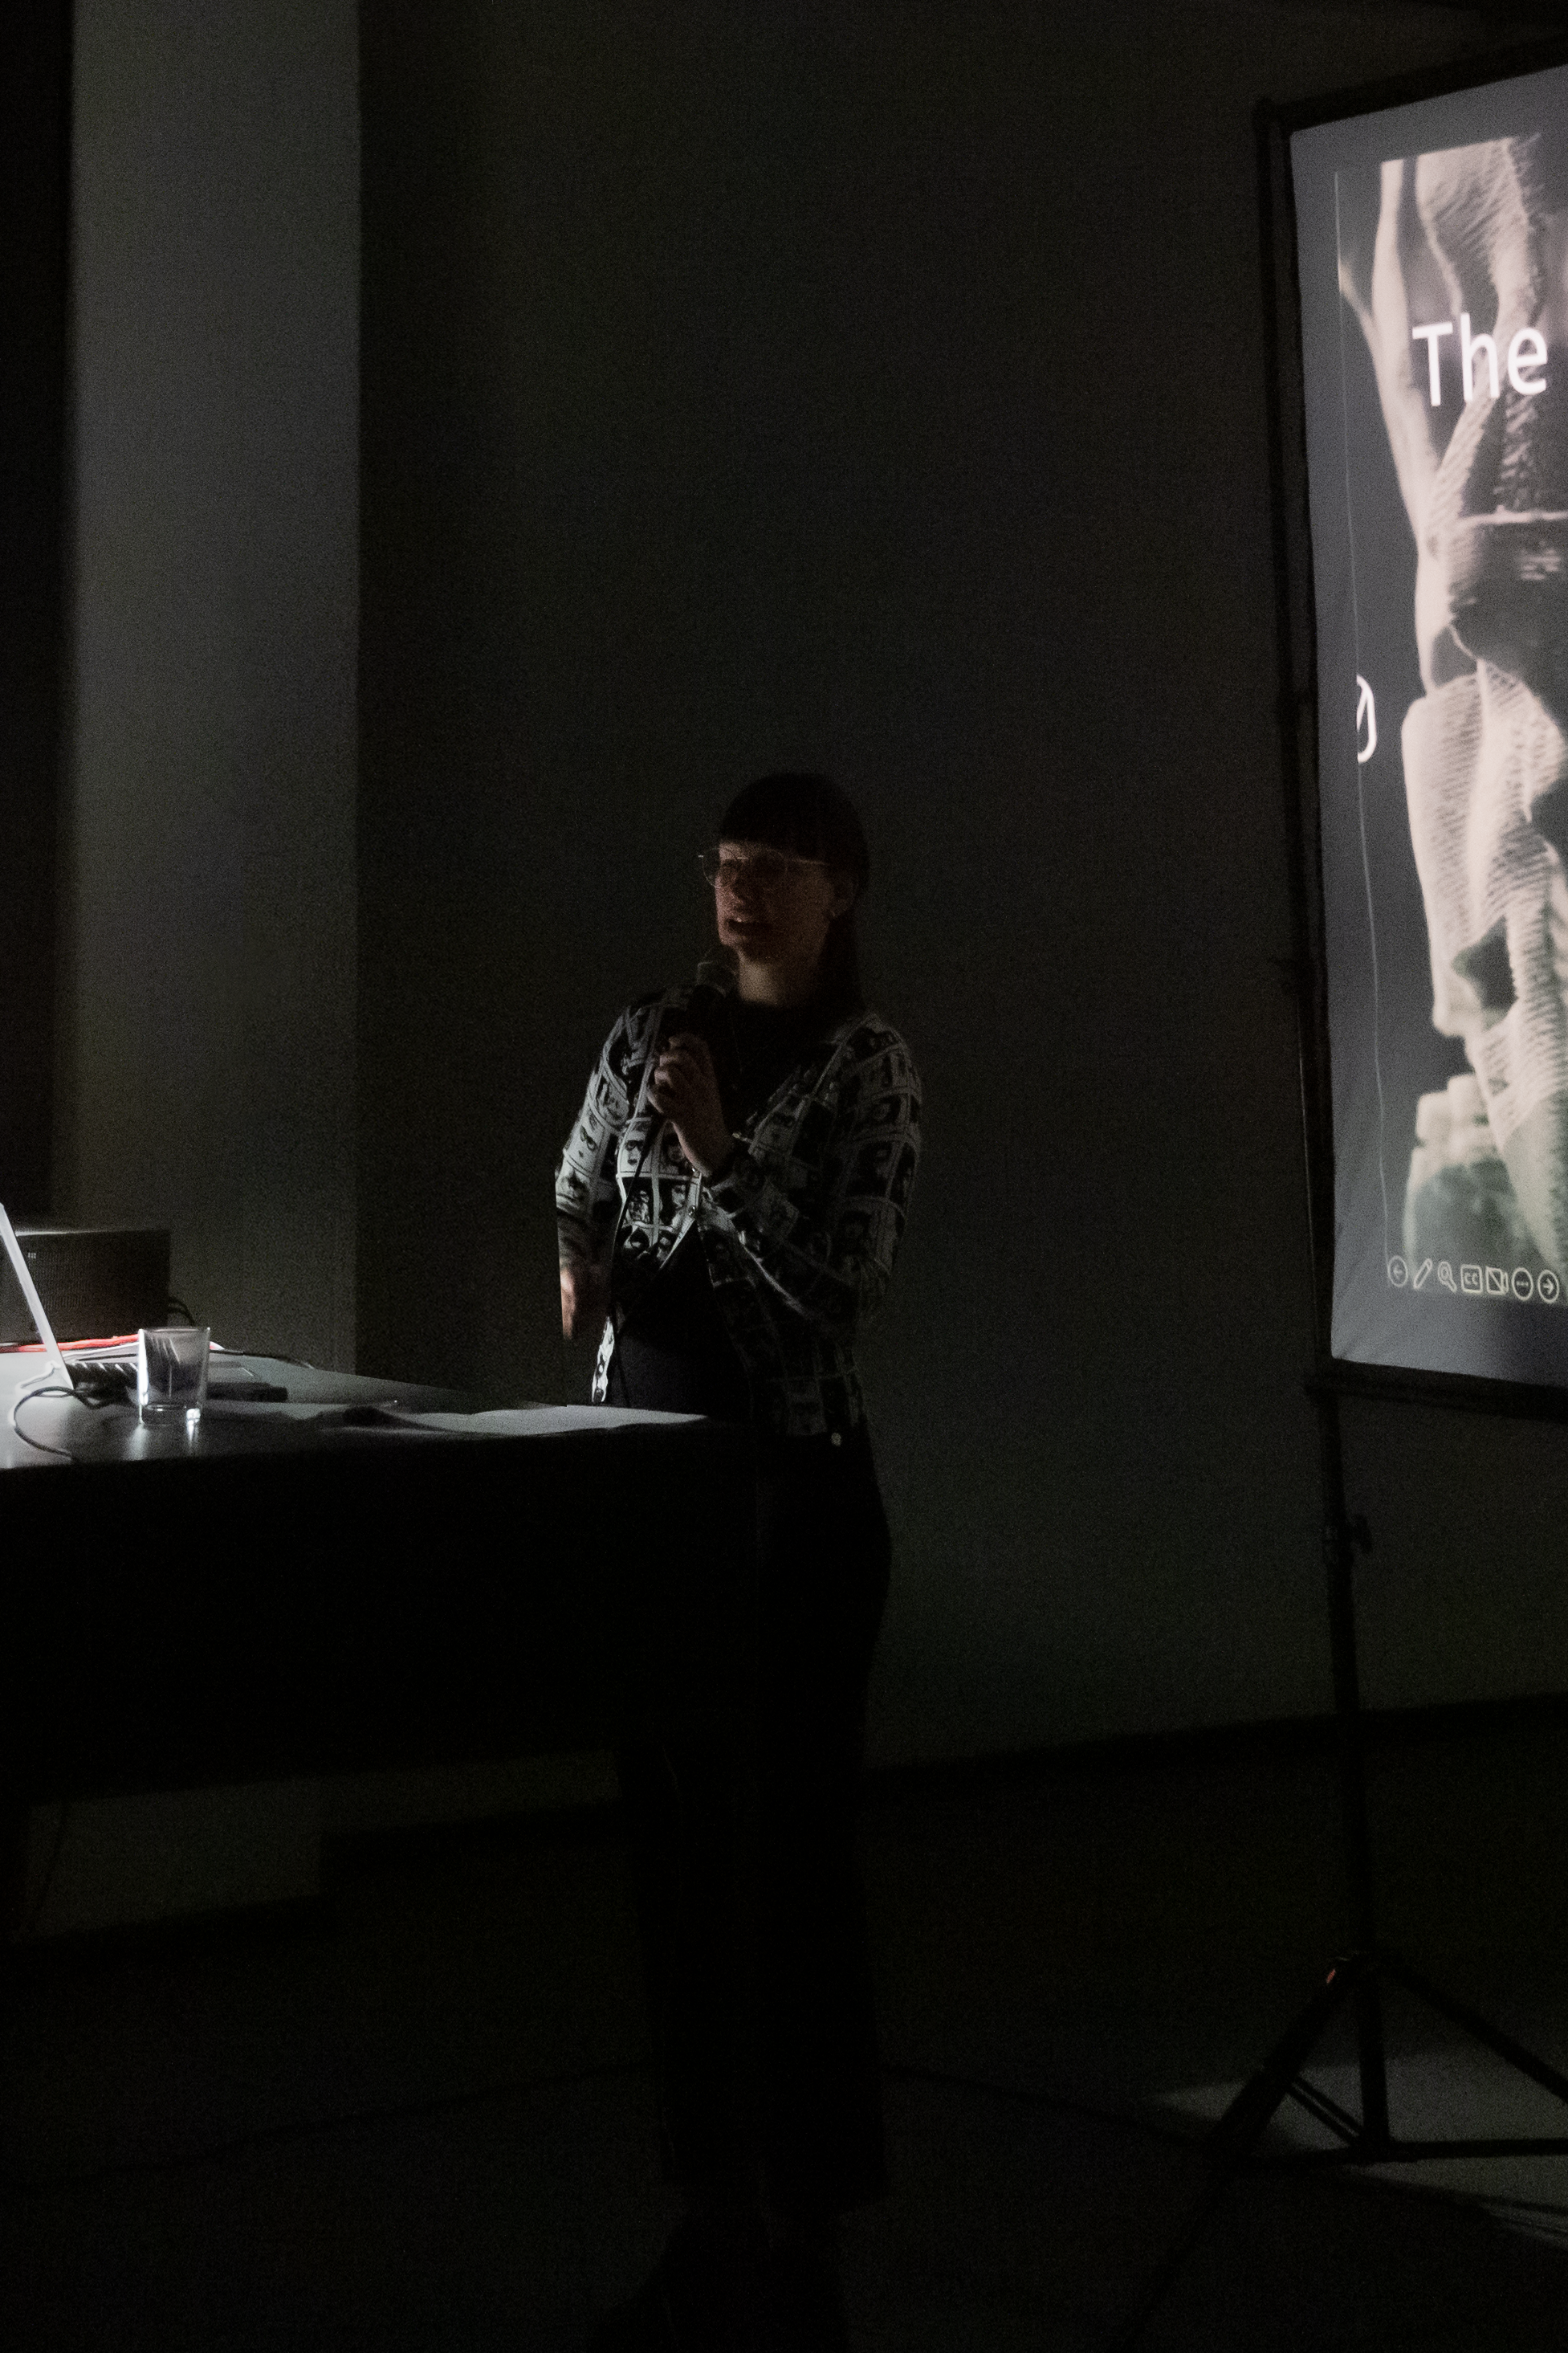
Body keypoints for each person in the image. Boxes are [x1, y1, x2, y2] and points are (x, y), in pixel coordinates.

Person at [554, 773, 923, 2353]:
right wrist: (584, 1271)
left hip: (791, 1504)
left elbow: (837, 1290)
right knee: (679, 1881)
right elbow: (575, 1184)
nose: (739, 891)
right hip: (653, 1491)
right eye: (722, 864)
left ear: (839, 889)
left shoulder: (864, 1067)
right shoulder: (651, 1028)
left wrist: (714, 1161)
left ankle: (809, 2242)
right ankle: (711, 2222)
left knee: (792, 1874)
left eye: (773, 868)